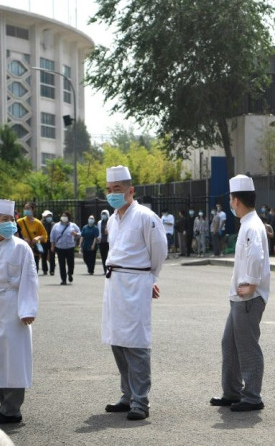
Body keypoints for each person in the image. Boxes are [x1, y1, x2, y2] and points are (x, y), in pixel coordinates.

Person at [101, 165, 168, 421]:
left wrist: (149, 278)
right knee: (117, 340)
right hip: (114, 284)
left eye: (117, 189)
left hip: (136, 283)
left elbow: (159, 251)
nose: (112, 194)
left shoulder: (146, 217)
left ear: (131, 190)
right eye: (109, 190)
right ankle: (127, 395)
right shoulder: (112, 219)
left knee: (137, 343)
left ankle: (141, 401)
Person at [209, 174, 270, 412]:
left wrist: (253, 284)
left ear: (236, 200)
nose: (230, 203)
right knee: (229, 344)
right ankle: (232, 392)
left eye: (231, 199)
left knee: (247, 347)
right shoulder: (251, 223)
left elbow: (256, 255)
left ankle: (252, 396)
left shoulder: (251, 226)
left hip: (248, 298)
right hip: (240, 297)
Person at [0, 198, 39, 425]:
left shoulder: (22, 248)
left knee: (14, 357)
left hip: (14, 308)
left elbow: (29, 280)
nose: (10, 223)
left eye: (12, 219)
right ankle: (4, 405)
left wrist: (27, 309)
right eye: (5, 220)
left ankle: (12, 409)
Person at [49, 211, 80, 285]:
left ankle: (70, 273)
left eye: (65, 216)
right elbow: (52, 237)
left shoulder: (73, 225)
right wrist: (52, 246)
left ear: (68, 217)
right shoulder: (56, 226)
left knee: (71, 263)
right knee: (61, 264)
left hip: (70, 247)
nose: (64, 217)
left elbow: (79, 233)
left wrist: (76, 234)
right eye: (63, 215)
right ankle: (63, 279)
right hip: (60, 247)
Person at [16, 202, 47, 273]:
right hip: (22, 249)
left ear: (33, 210)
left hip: (34, 250)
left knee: (34, 270)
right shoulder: (19, 222)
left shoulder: (38, 223)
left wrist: (38, 238)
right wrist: (23, 239)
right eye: (25, 208)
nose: (26, 210)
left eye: (28, 208)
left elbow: (45, 235)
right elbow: (14, 234)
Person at [41, 210, 55, 276]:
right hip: (44, 241)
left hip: (51, 242)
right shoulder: (41, 224)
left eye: (50, 216)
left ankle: (52, 270)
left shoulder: (54, 224)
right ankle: (45, 270)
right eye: (47, 216)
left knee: (52, 256)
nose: (49, 217)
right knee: (43, 256)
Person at [97, 210, 110, 274]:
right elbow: (99, 231)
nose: (103, 215)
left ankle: (109, 269)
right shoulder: (99, 222)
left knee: (108, 256)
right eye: (102, 214)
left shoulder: (110, 221)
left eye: (105, 214)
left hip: (108, 241)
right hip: (101, 241)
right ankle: (105, 270)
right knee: (103, 256)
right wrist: (98, 237)